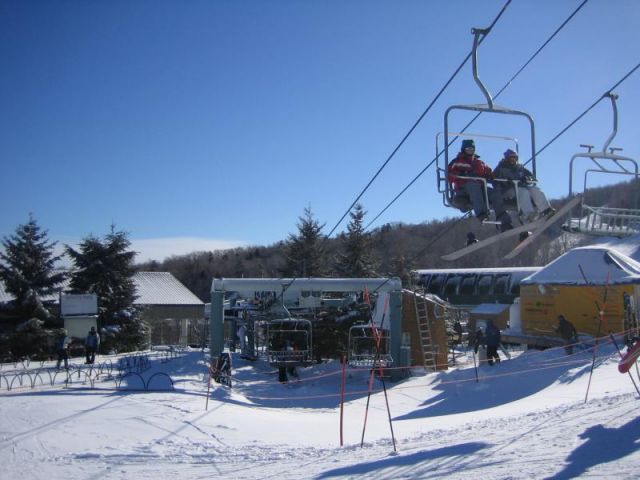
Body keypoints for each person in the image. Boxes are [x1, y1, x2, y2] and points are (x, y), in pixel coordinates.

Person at [492, 149, 555, 224]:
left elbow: (531, 176)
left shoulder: (520, 168)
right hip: (507, 190)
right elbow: (494, 179)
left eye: (514, 157)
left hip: (521, 187)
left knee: (534, 189)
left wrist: (528, 178)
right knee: (523, 192)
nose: (513, 159)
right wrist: (505, 181)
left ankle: (546, 209)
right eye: (510, 157)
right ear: (506, 158)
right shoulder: (501, 168)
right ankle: (528, 214)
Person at [448, 139, 494, 222]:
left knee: (494, 193)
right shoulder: (457, 161)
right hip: (463, 188)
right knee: (473, 185)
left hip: (480, 187)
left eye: (472, 149)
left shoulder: (479, 162)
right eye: (468, 149)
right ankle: (481, 214)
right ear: (463, 149)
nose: (470, 151)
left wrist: (491, 176)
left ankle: (503, 217)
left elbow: (488, 172)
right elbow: (449, 175)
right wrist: (461, 174)